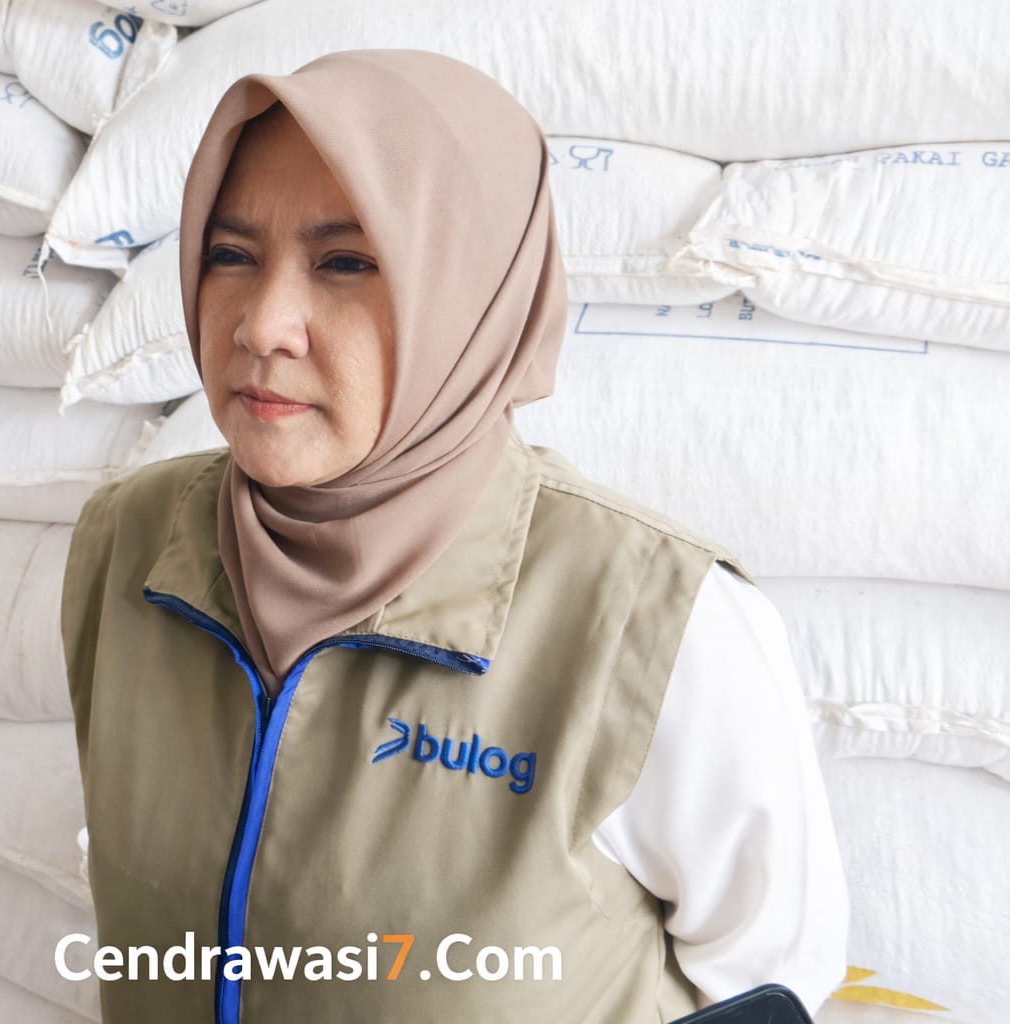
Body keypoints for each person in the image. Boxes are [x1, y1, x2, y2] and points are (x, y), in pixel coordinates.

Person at [60, 48, 847, 1023]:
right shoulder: (125, 548)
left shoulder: (650, 625)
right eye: (231, 254)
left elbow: (770, 981)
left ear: (471, 294)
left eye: (346, 262)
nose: (263, 326)